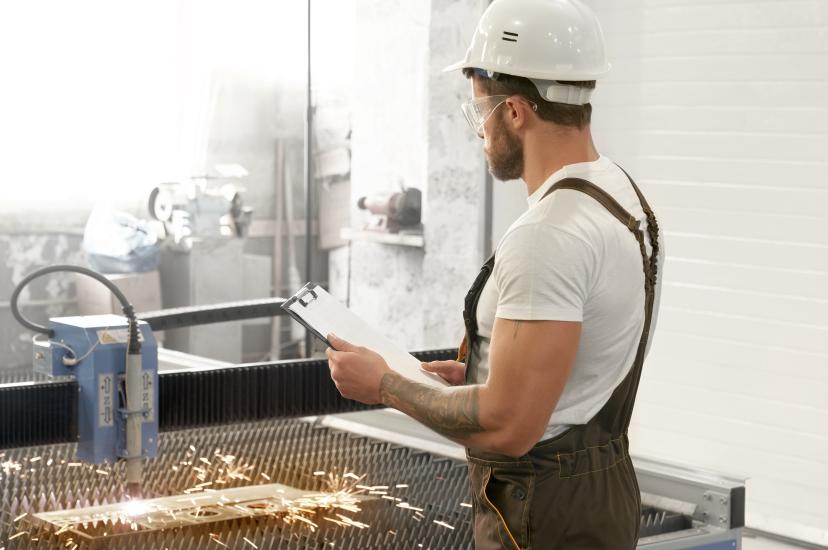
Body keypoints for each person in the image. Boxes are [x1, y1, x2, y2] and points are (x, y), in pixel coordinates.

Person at [325, 0, 663, 547]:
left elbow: (509, 426)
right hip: (600, 493)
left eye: (478, 110)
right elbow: (578, 368)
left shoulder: (549, 234)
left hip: (543, 510)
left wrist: (384, 384)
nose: (476, 129)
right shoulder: (623, 200)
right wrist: (488, 370)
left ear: (513, 112)